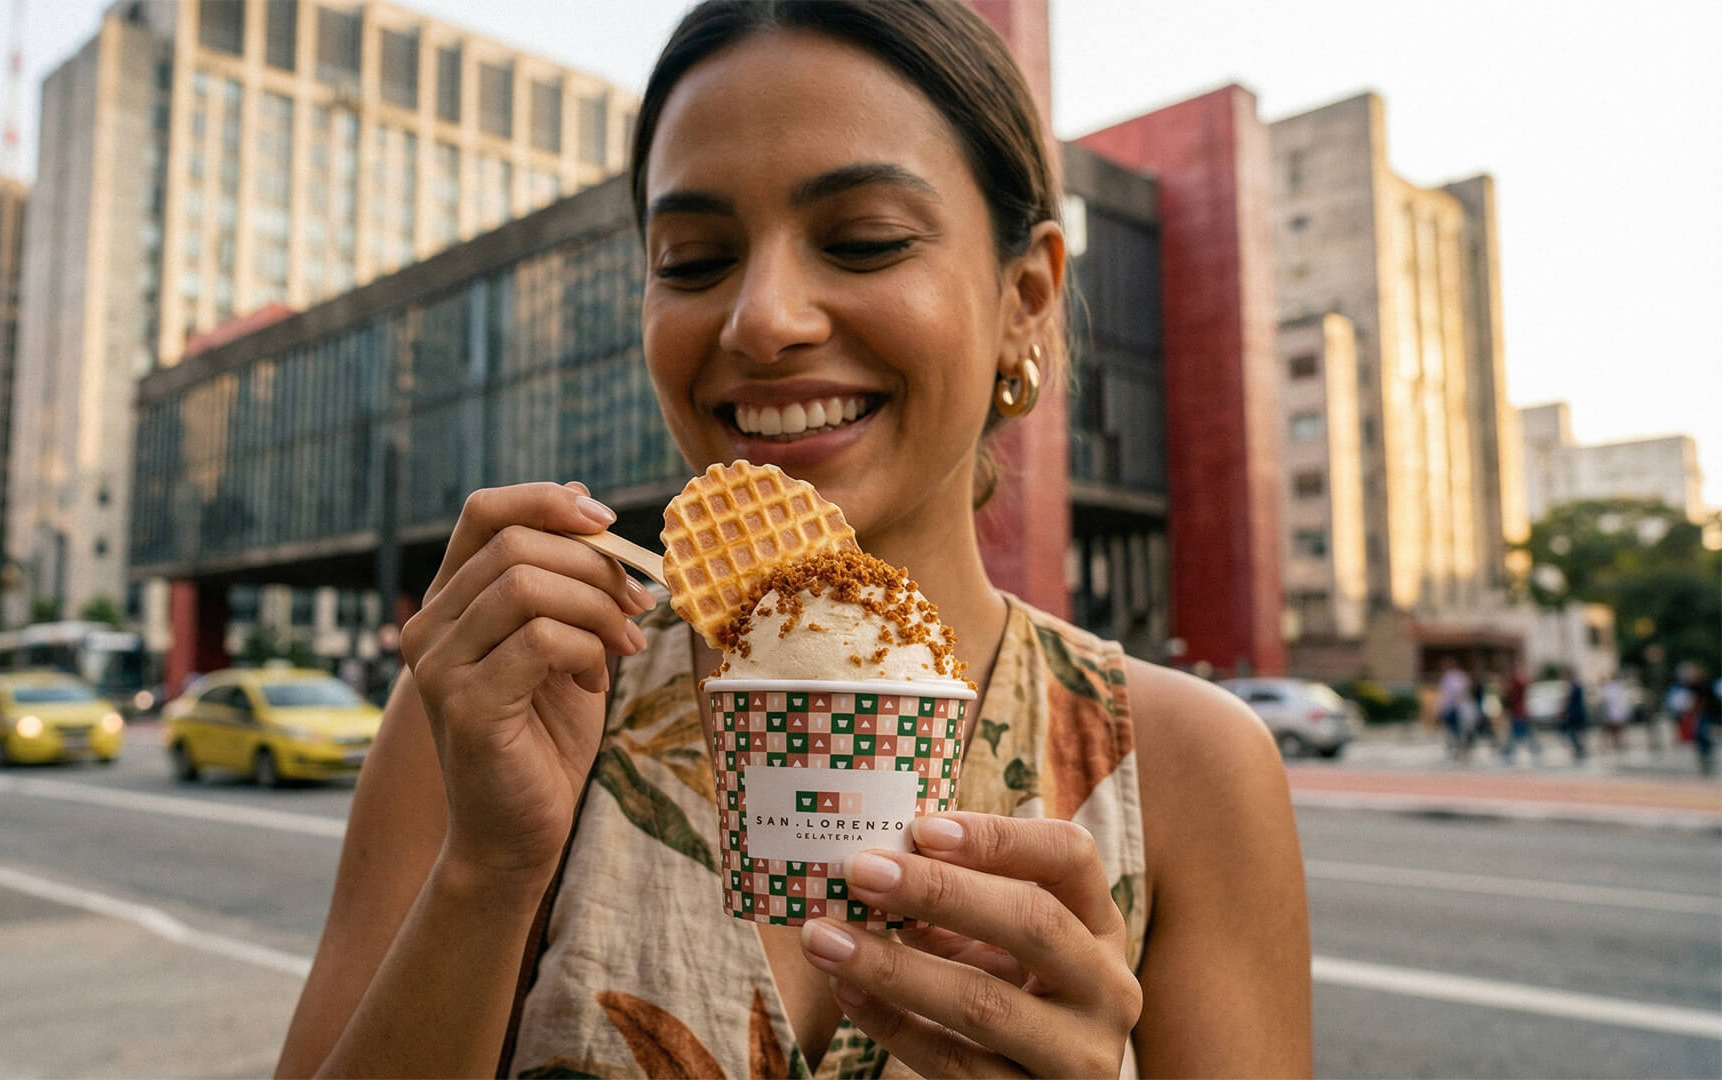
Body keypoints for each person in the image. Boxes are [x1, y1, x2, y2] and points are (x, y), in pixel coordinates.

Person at [275, 4, 1312, 1077]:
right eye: (692, 260)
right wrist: (490, 871)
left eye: (864, 241)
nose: (763, 318)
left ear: (1026, 296)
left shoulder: (1188, 770)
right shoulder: (507, 699)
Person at [1436, 658, 1474, 762]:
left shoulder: (1453, 677)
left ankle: (1460, 751)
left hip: (1456, 709)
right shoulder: (1459, 677)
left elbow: (1448, 695)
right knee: (1454, 732)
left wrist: (1440, 708)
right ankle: (1459, 751)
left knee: (1456, 732)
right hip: (1455, 709)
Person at [1499, 666, 1537, 765]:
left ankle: (1509, 751)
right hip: (1520, 712)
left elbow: (1511, 696)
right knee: (1522, 733)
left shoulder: (1517, 684)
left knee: (1518, 734)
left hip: (1519, 712)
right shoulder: (1520, 683)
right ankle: (1509, 750)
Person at [1561, 667, 1590, 764]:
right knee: (1575, 733)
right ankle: (1580, 749)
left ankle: (1580, 750)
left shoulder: (1574, 686)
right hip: (1576, 714)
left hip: (1575, 714)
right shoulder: (1575, 686)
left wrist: (1566, 712)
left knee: (1573, 733)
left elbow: (1570, 702)